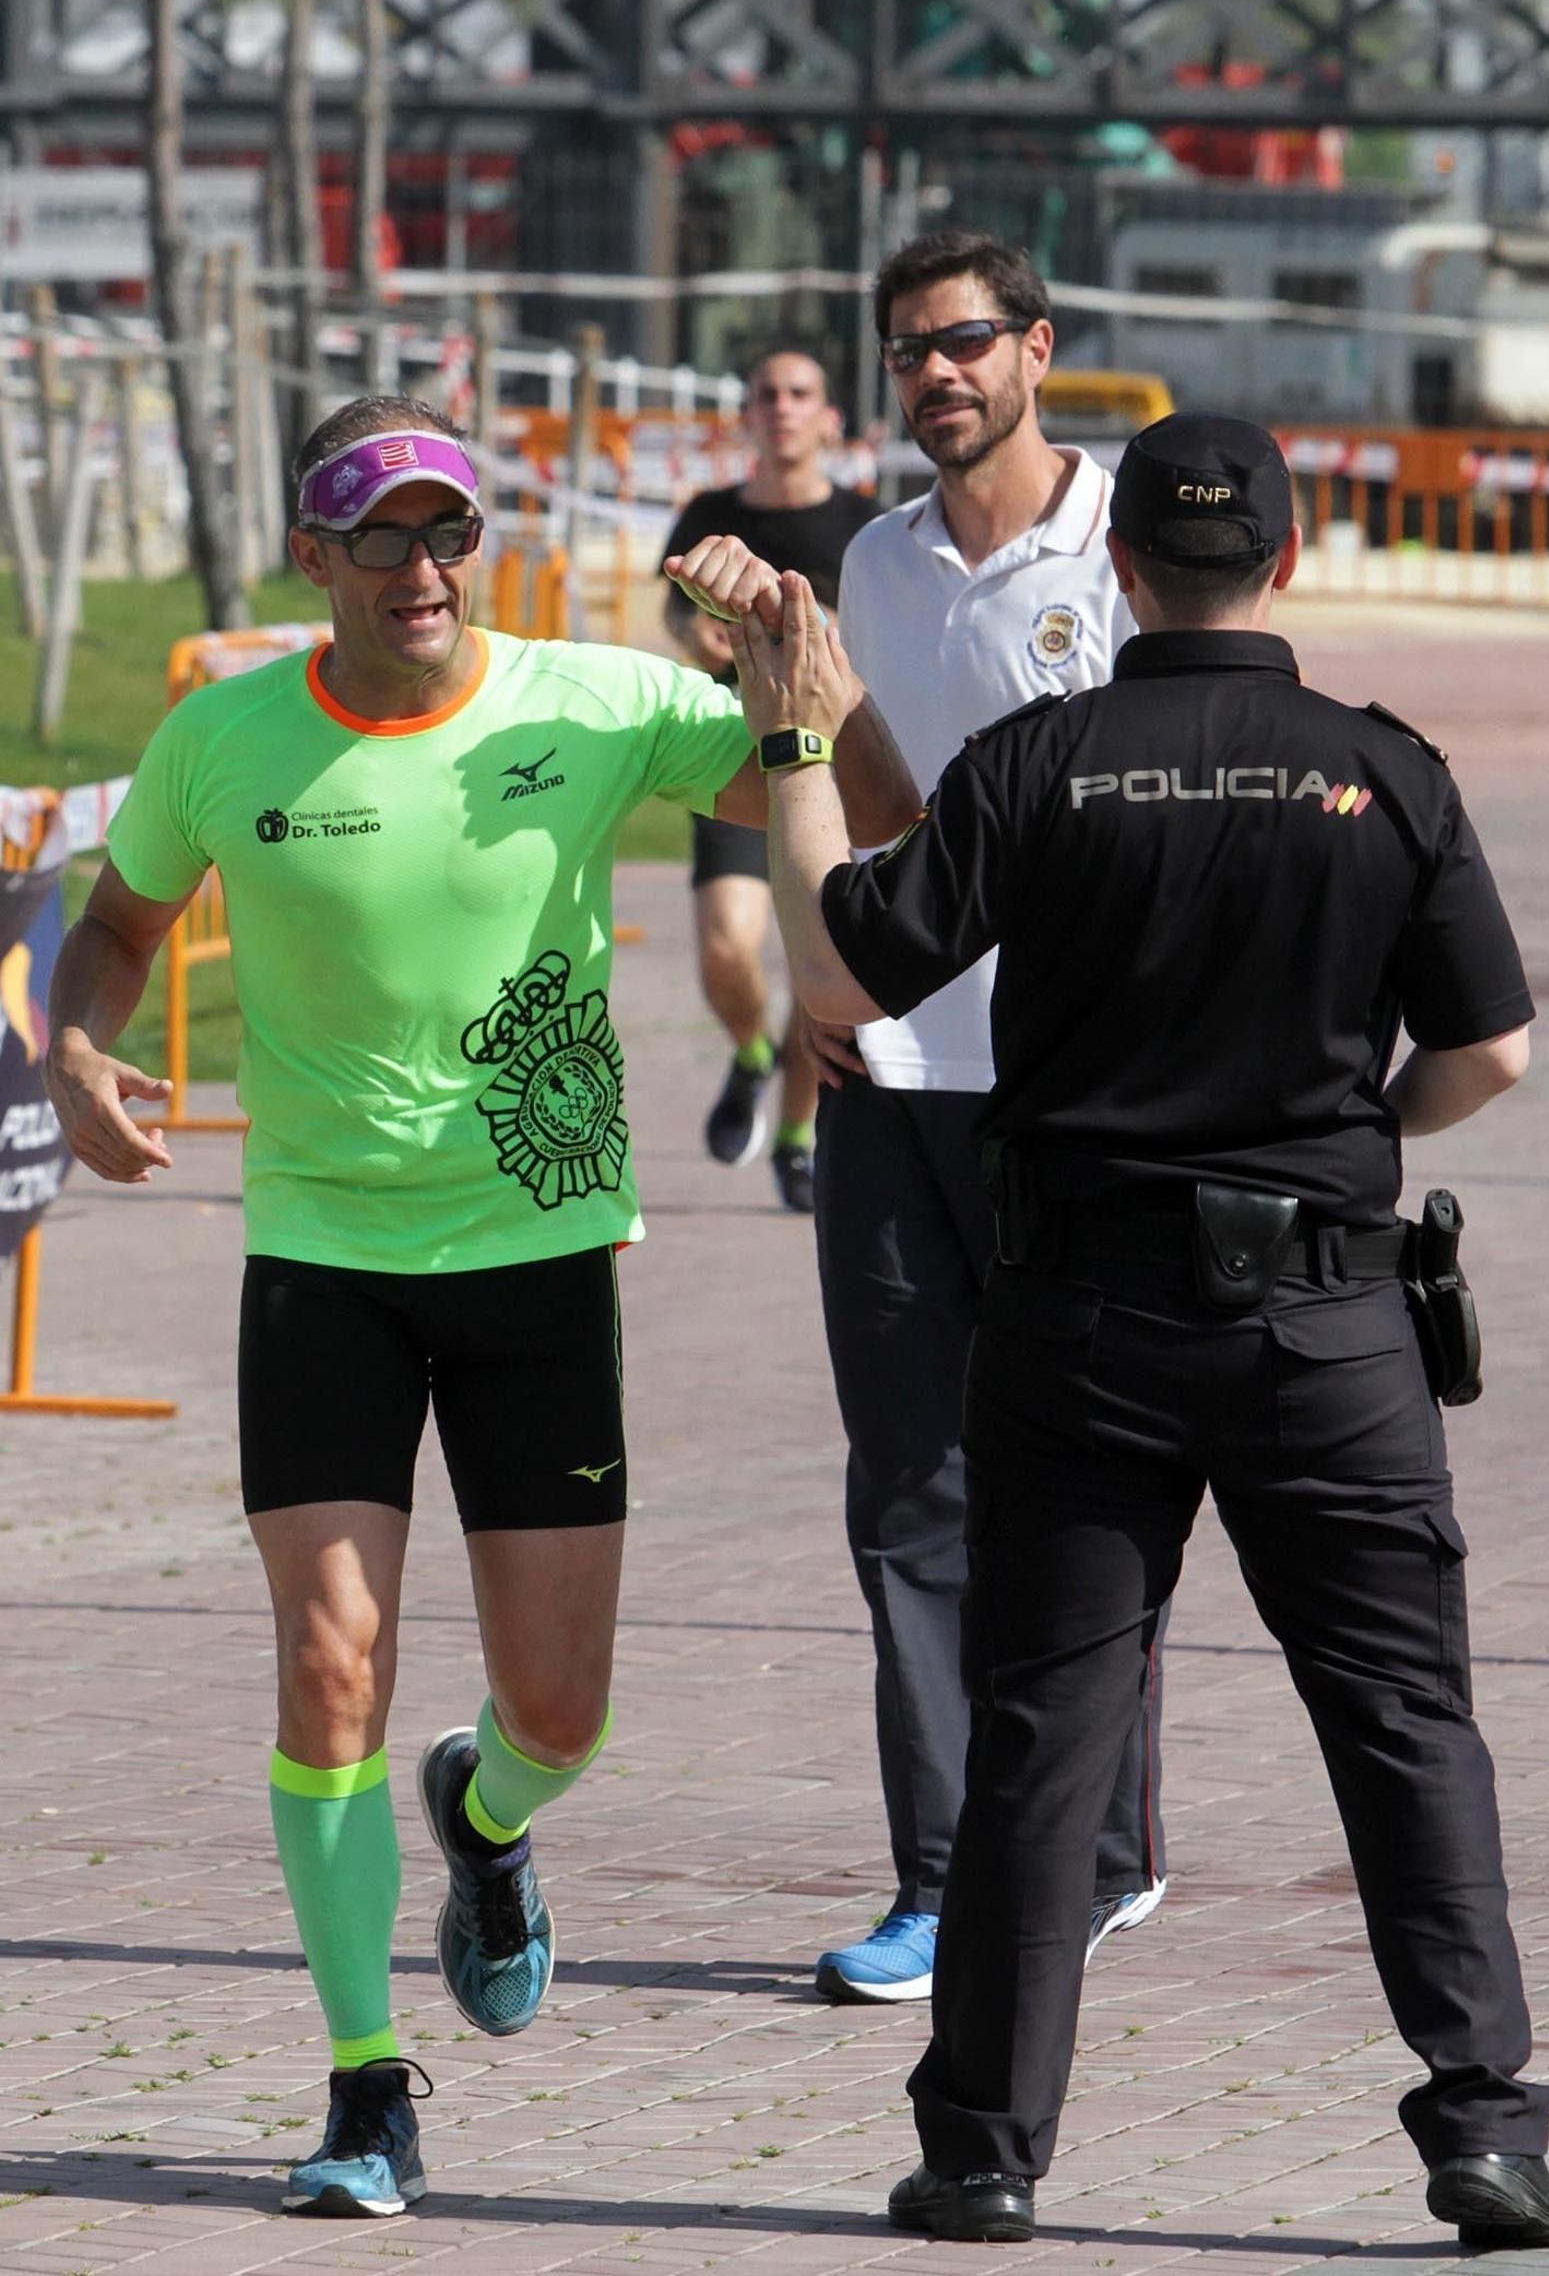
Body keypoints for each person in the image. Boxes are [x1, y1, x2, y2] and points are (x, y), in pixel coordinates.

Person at [43, 396, 918, 2223]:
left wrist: (791, 662)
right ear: (317, 559)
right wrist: (74, 1045)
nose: (426, 567)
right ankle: (369, 2081)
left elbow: (875, 795)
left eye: (451, 532)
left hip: (536, 1260)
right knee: (326, 1661)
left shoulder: (591, 706)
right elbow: (118, 927)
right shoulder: (222, 736)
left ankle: (491, 1816)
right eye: (385, 535)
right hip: (319, 1261)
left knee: (560, 1704)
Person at [727, 415, 1549, 2252]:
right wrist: (1350, 1151)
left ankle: (986, 2152)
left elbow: (843, 973)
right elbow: (1494, 1047)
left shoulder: (1046, 761)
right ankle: (1487, 2130)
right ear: (1287, 558)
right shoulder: (1381, 771)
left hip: (1083, 1314)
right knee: (1406, 1720)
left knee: (1044, 1733)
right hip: (1330, 1321)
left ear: (1123, 568)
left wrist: (799, 739)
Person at [670, 233, 1167, 2008]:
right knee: (910, 1495)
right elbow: (872, 798)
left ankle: (1101, 1853)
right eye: (908, 351)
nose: (936, 373)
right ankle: (946, 1878)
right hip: (888, 1081)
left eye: (965, 342)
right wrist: (773, 663)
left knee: (1086, 1481)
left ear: (1039, 347)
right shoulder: (872, 560)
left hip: (1078, 1087)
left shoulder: (1126, 545)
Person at [661, 346, 879, 1212]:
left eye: (800, 393)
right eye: (766, 393)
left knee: (814, 967)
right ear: (746, 415)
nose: (782, 407)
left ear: (828, 417)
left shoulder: (868, 524)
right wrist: (694, 632)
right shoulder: (710, 512)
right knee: (724, 946)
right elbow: (676, 605)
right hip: (729, 754)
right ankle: (750, 1052)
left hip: (827, 762)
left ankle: (796, 1137)